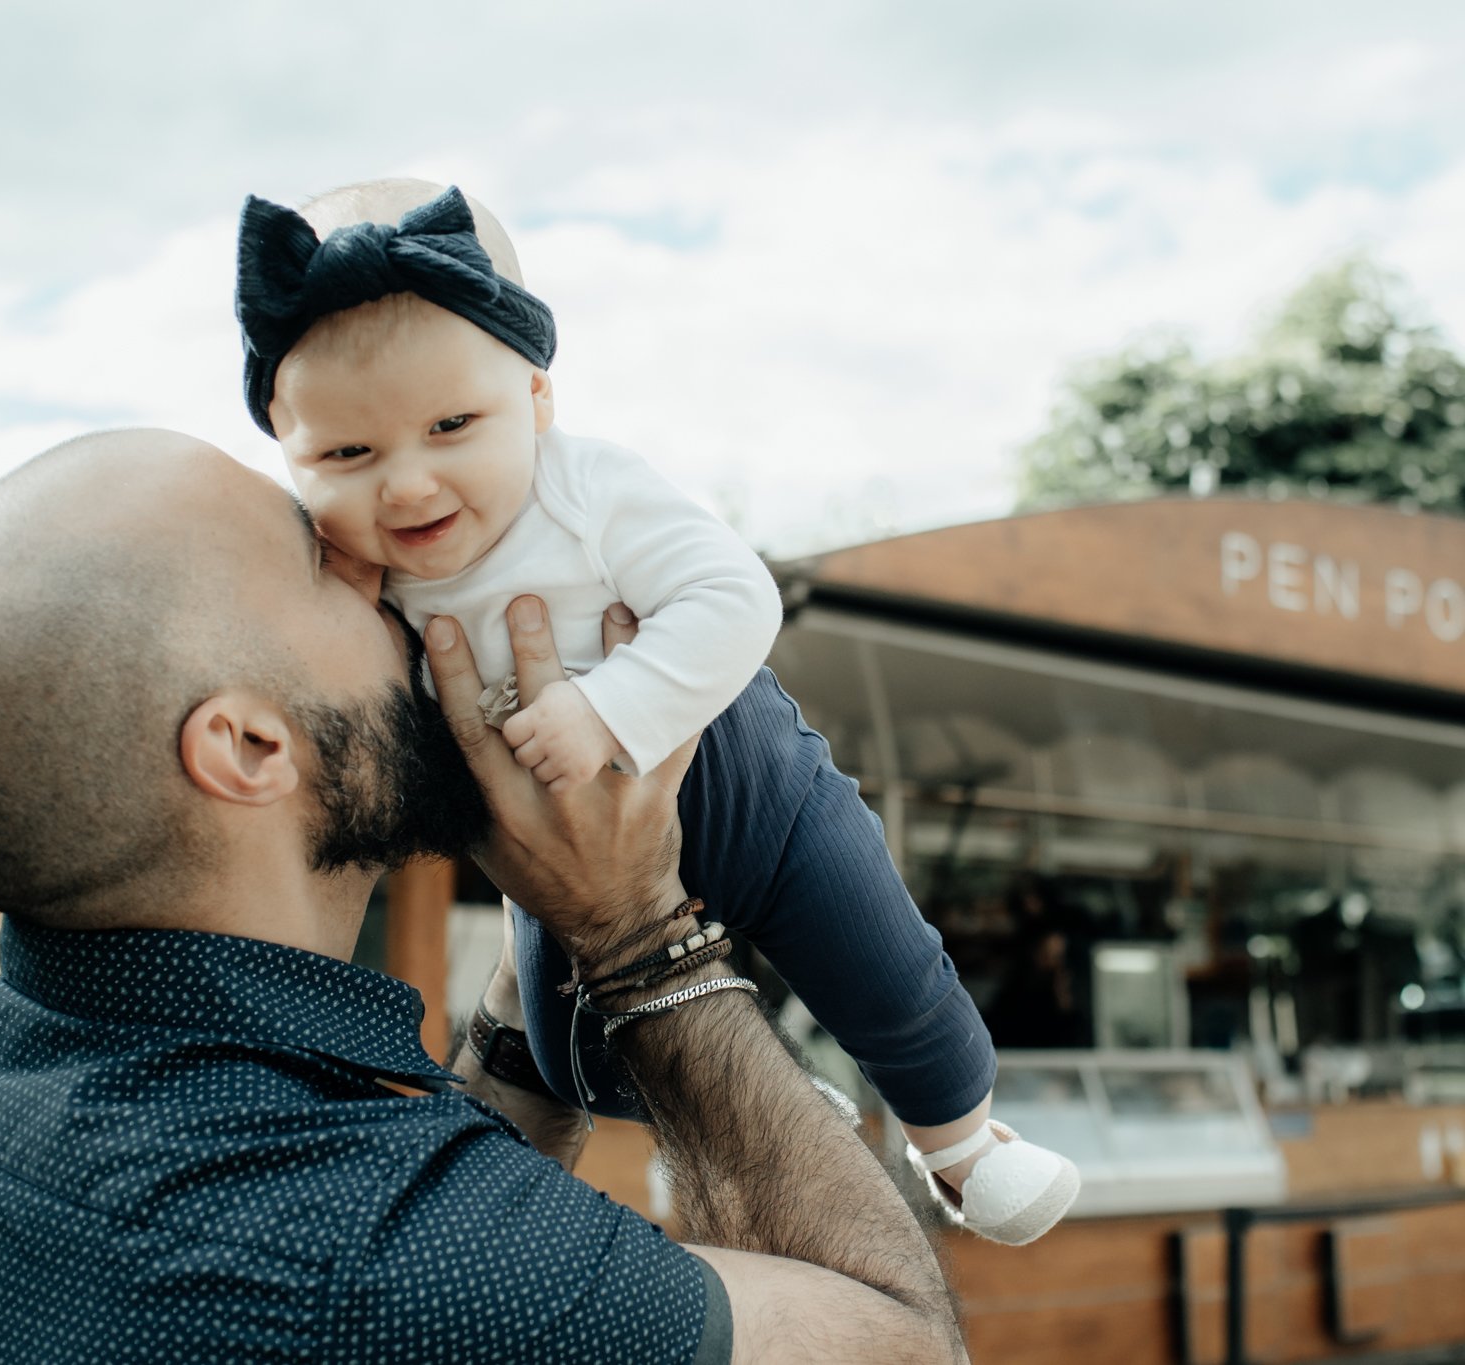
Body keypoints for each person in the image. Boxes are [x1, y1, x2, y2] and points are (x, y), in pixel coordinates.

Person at [0, 428, 967, 1364]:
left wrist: (552, 948)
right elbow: (901, 1348)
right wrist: (636, 937)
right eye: (322, 562)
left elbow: (422, 1197)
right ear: (251, 747)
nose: (379, 552)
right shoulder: (369, 1270)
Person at [234, 179, 1077, 1243]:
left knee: (886, 966)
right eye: (346, 455)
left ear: (535, 402)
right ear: (287, 448)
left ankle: (958, 1147)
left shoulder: (582, 492)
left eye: (453, 425)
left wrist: (610, 706)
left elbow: (733, 596)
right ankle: (748, 1106)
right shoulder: (359, 579)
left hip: (748, 787)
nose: (406, 487)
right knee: (560, 1046)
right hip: (552, 847)